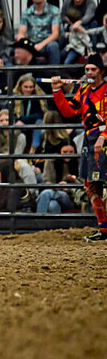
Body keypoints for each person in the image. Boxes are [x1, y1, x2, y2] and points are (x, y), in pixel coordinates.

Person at [51, 53, 107, 241]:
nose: (89, 72)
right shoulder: (82, 90)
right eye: (87, 69)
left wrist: (103, 137)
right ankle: (104, 230)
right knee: (90, 186)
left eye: (93, 69)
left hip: (103, 140)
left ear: (101, 71)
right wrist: (57, 91)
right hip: (89, 140)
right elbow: (69, 111)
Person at [18, 0, 61, 64]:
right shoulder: (26, 13)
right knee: (16, 49)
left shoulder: (54, 11)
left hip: (47, 44)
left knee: (53, 46)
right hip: (31, 43)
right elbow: (21, 34)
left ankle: (54, 74)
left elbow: (55, 34)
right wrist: (26, 44)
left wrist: (41, 45)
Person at [0, 109, 36, 187]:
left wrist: (3, 157)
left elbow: (16, 155)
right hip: (1, 167)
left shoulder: (20, 136)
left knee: (24, 166)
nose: (4, 123)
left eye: (7, 120)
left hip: (16, 163)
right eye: (1, 121)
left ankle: (32, 191)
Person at [37, 141, 79, 214]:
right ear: (60, 151)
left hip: (71, 197)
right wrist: (57, 186)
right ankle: (54, 225)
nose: (68, 155)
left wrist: (73, 182)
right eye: (65, 152)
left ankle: (37, 222)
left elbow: (84, 184)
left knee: (45, 193)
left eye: (71, 152)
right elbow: (46, 181)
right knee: (52, 206)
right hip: (54, 191)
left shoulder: (79, 161)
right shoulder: (51, 161)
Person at [12, 73, 47, 151]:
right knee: (14, 129)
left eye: (31, 87)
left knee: (39, 123)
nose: (28, 90)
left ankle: (33, 150)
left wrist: (23, 120)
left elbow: (40, 114)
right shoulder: (14, 97)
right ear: (20, 86)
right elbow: (11, 114)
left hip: (34, 124)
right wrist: (18, 121)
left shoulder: (39, 97)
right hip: (19, 124)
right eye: (26, 87)